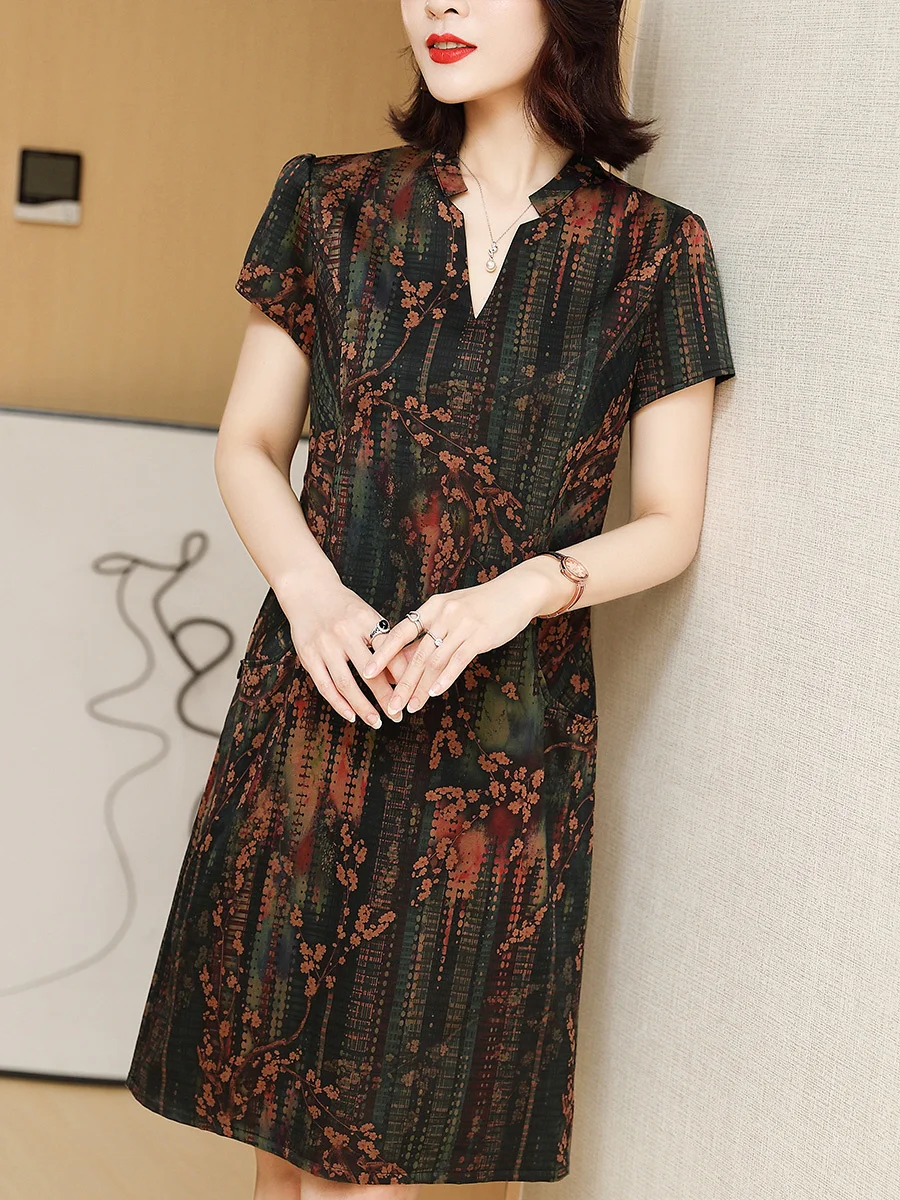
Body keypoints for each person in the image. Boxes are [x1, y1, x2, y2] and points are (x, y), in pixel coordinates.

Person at [125, 0, 736, 1195]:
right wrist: (308, 590)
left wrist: (524, 592)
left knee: (385, 1161)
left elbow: (673, 523)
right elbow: (250, 443)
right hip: (317, 713)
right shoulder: (332, 201)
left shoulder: (655, 251)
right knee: (290, 1143)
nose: (438, 5)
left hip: (501, 753)